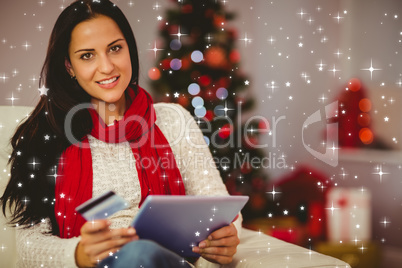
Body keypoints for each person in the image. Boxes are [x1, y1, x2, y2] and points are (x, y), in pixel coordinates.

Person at [0, 0, 241, 267]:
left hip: (167, 261)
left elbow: (218, 208)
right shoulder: (44, 137)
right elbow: (28, 244)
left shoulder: (173, 121)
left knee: (142, 254)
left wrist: (223, 241)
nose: (106, 67)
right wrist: (79, 253)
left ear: (129, 49)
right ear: (69, 66)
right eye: (87, 55)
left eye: (115, 49)